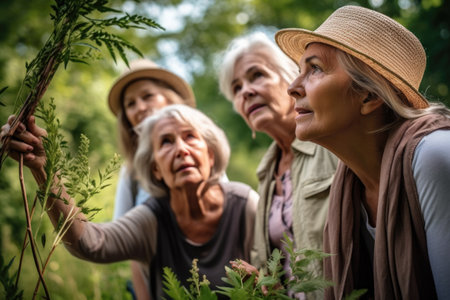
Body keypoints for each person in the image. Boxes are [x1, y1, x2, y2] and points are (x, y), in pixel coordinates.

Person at [275, 5, 450, 300]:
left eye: (315, 68)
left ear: (369, 95)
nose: (293, 87)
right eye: (299, 71)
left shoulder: (434, 154)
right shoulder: (347, 187)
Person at [2, 104, 258, 300]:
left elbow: (283, 272)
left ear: (210, 155)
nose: (181, 149)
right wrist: (44, 170)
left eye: (190, 137)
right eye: (166, 142)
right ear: (156, 168)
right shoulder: (153, 218)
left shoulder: (244, 204)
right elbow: (90, 244)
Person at [218, 32, 338, 299]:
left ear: (291, 77)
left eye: (256, 75)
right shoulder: (266, 172)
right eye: (236, 88)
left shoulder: (332, 145)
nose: (246, 92)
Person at [108, 59, 196, 300]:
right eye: (130, 103)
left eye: (148, 96)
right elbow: (132, 249)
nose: (140, 107)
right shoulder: (131, 173)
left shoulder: (200, 153)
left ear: (168, 98)